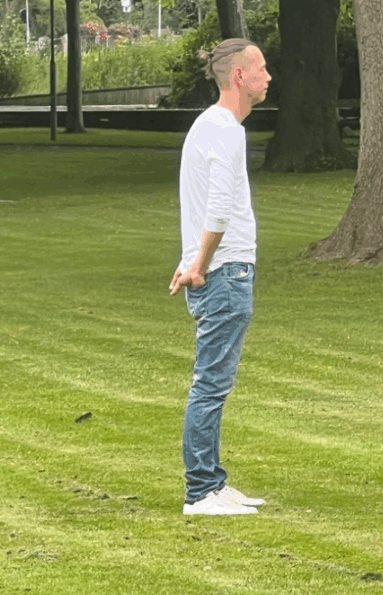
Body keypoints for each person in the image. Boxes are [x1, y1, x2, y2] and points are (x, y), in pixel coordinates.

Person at [169, 38, 272, 515]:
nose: (268, 77)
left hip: (218, 269)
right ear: (238, 76)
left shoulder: (209, 127)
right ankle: (201, 491)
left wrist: (191, 259)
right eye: (261, 68)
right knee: (210, 384)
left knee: (213, 384)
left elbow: (195, 203)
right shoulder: (224, 130)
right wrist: (200, 263)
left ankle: (213, 481)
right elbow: (217, 208)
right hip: (225, 273)